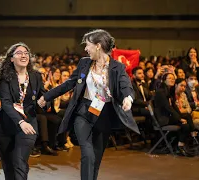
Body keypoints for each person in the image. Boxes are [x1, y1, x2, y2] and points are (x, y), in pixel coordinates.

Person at [38, 29, 139, 180]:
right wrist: (46, 96)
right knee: (88, 153)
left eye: (88, 45)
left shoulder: (118, 67)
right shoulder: (84, 63)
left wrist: (128, 99)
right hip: (84, 113)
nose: (85, 49)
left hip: (104, 115)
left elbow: (126, 86)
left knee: (96, 158)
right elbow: (68, 84)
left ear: (98, 46)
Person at [0, 42, 43, 180]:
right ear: (11, 58)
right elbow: (6, 104)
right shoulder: (5, 78)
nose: (24, 55)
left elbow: (42, 96)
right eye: (19, 53)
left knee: (19, 162)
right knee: (9, 167)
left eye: (26, 53)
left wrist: (45, 101)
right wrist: (20, 121)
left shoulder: (36, 76)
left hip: (28, 125)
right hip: (6, 126)